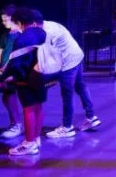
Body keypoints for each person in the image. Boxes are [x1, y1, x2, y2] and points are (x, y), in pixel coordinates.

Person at [0, 8, 48, 156]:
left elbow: (15, 65)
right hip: (43, 75)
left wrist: (2, 81)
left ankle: (29, 143)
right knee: (38, 107)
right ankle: (36, 139)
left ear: (20, 22)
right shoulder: (42, 33)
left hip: (27, 78)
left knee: (29, 109)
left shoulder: (22, 38)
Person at [39, 12, 100, 140]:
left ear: (33, 24)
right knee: (81, 87)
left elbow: (48, 56)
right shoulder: (50, 24)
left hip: (69, 62)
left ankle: (67, 127)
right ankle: (91, 117)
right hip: (77, 55)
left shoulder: (47, 33)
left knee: (67, 93)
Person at [0, 5, 24, 139]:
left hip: (12, 71)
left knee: (9, 96)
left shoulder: (20, 36)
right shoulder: (5, 35)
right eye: (2, 20)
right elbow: (0, 54)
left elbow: (14, 57)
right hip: (3, 71)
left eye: (6, 20)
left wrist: (3, 71)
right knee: (6, 97)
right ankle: (14, 123)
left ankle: (17, 124)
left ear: (14, 19)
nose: (4, 22)